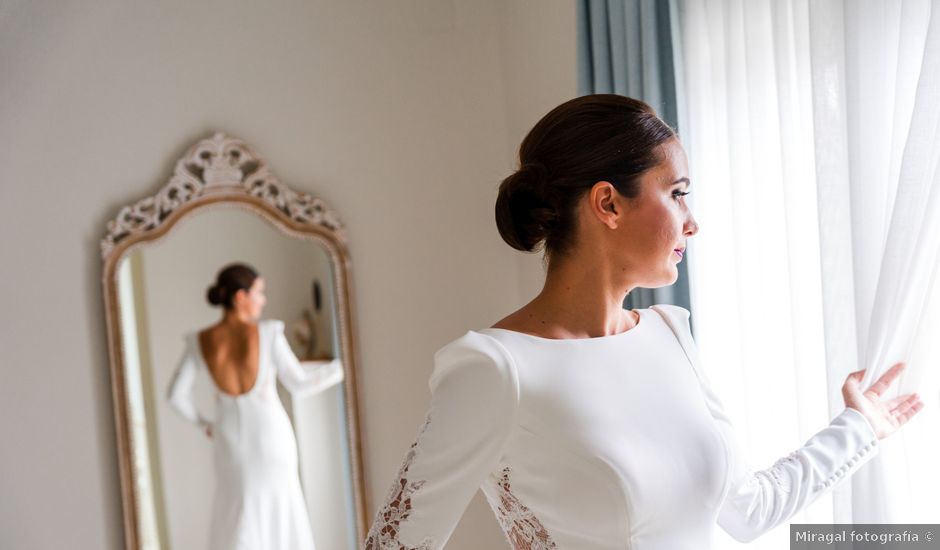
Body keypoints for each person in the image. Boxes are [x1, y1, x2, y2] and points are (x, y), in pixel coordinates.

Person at [363, 95, 924, 550]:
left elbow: (747, 509)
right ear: (608, 204)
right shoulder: (494, 367)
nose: (692, 222)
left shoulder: (669, 331)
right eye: (678, 194)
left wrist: (858, 427)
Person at [167, 263, 319, 550]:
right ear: (240, 297)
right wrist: (341, 368)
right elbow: (300, 384)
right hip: (272, 437)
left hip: (229, 440)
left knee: (237, 511)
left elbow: (175, 396)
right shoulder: (269, 333)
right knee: (283, 508)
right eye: (259, 293)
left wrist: (205, 424)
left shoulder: (199, 341)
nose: (263, 300)